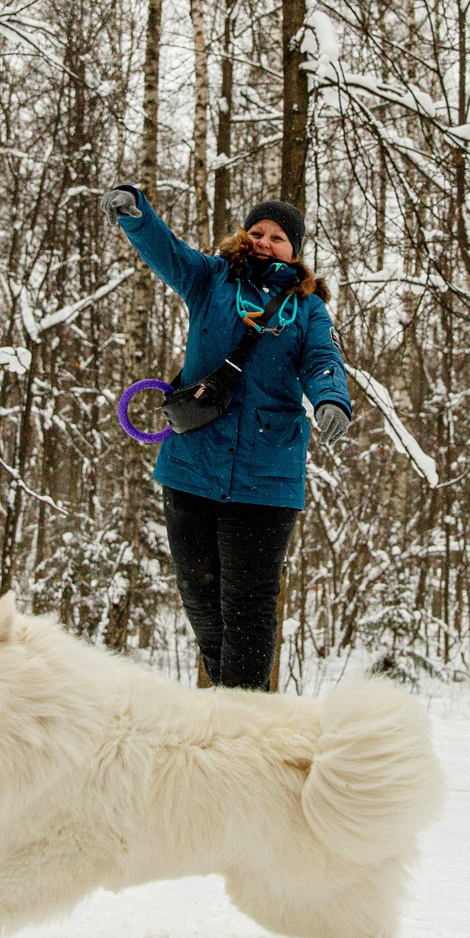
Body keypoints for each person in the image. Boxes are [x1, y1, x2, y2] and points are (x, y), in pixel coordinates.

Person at [100, 186, 351, 689]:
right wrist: (137, 215)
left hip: (266, 477)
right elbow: (167, 252)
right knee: (200, 600)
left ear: (294, 250)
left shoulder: (308, 310)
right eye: (257, 232)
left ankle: (244, 719)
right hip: (192, 466)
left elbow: (322, 359)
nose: (264, 242)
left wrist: (330, 398)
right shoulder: (212, 280)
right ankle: (233, 707)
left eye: (278, 237)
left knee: (249, 605)